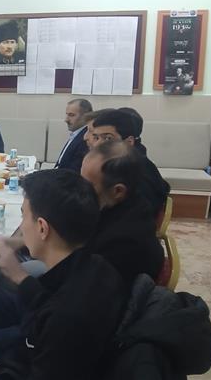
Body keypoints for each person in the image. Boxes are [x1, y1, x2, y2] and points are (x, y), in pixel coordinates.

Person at [0, 170, 126, 380]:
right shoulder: (97, 266)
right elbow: (39, 321)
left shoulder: (65, 318)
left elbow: (46, 335)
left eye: (23, 216)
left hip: (33, 365)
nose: (21, 226)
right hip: (33, 351)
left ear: (42, 228)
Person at [80, 140, 165, 284]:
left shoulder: (123, 242)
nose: (79, 189)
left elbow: (82, 286)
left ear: (118, 191)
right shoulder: (125, 203)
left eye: (87, 185)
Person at [90, 109, 171, 220]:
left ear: (129, 142)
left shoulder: (137, 174)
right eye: (96, 137)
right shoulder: (126, 162)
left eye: (108, 138)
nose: (97, 145)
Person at [54, 98, 92, 173]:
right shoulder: (76, 134)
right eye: (67, 114)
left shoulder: (86, 139)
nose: (66, 120)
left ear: (86, 116)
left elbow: (74, 172)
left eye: (71, 115)